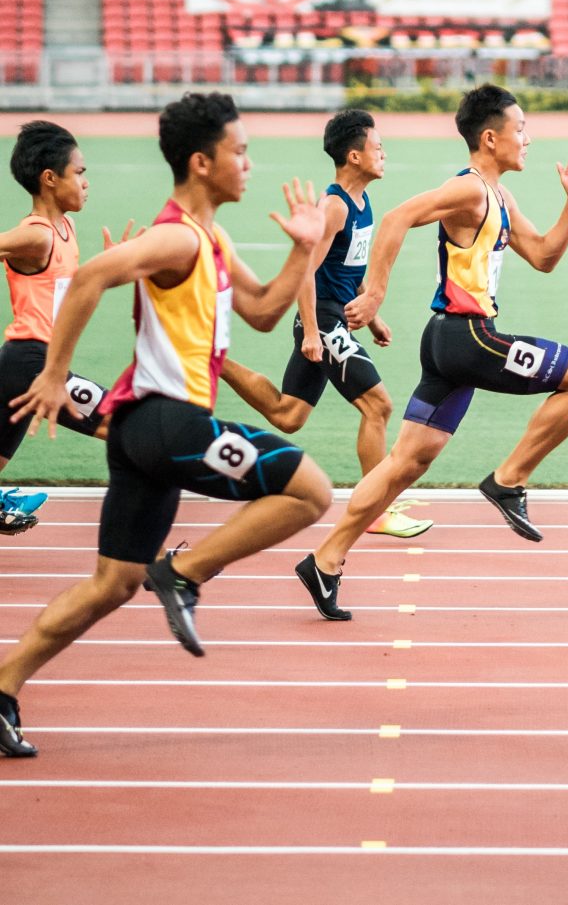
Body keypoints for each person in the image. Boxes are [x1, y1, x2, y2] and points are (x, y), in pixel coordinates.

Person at [0, 92, 333, 758]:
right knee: (312, 492)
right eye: (240, 152)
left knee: (112, 585)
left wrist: (305, 250)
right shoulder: (178, 233)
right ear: (203, 162)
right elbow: (92, 275)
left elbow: (266, 310)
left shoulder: (212, 237)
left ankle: (4, 687)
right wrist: (55, 372)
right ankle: (182, 573)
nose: (249, 163)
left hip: (144, 433)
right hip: (163, 421)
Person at [294, 83, 568, 621]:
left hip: (448, 345)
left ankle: (325, 560)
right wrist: (374, 293)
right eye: (521, 129)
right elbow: (396, 219)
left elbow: (544, 256)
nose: (528, 139)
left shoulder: (500, 196)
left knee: (403, 464)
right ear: (490, 138)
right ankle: (508, 481)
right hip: (469, 338)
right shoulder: (467, 191)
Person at [219, 109, 431, 554]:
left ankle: (211, 359)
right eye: (377, 147)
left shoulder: (362, 202)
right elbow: (305, 273)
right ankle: (375, 510)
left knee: (288, 414)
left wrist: (372, 316)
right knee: (378, 406)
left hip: (337, 316)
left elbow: (347, 267)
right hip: (323, 319)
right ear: (354, 156)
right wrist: (313, 331)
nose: (383, 153)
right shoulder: (333, 207)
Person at [0, 121, 138, 534]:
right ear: (49, 179)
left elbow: (68, 292)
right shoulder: (35, 236)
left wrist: (111, 265)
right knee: (129, 427)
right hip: (32, 362)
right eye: (79, 173)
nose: (86, 182)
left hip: (27, 364)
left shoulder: (66, 227)